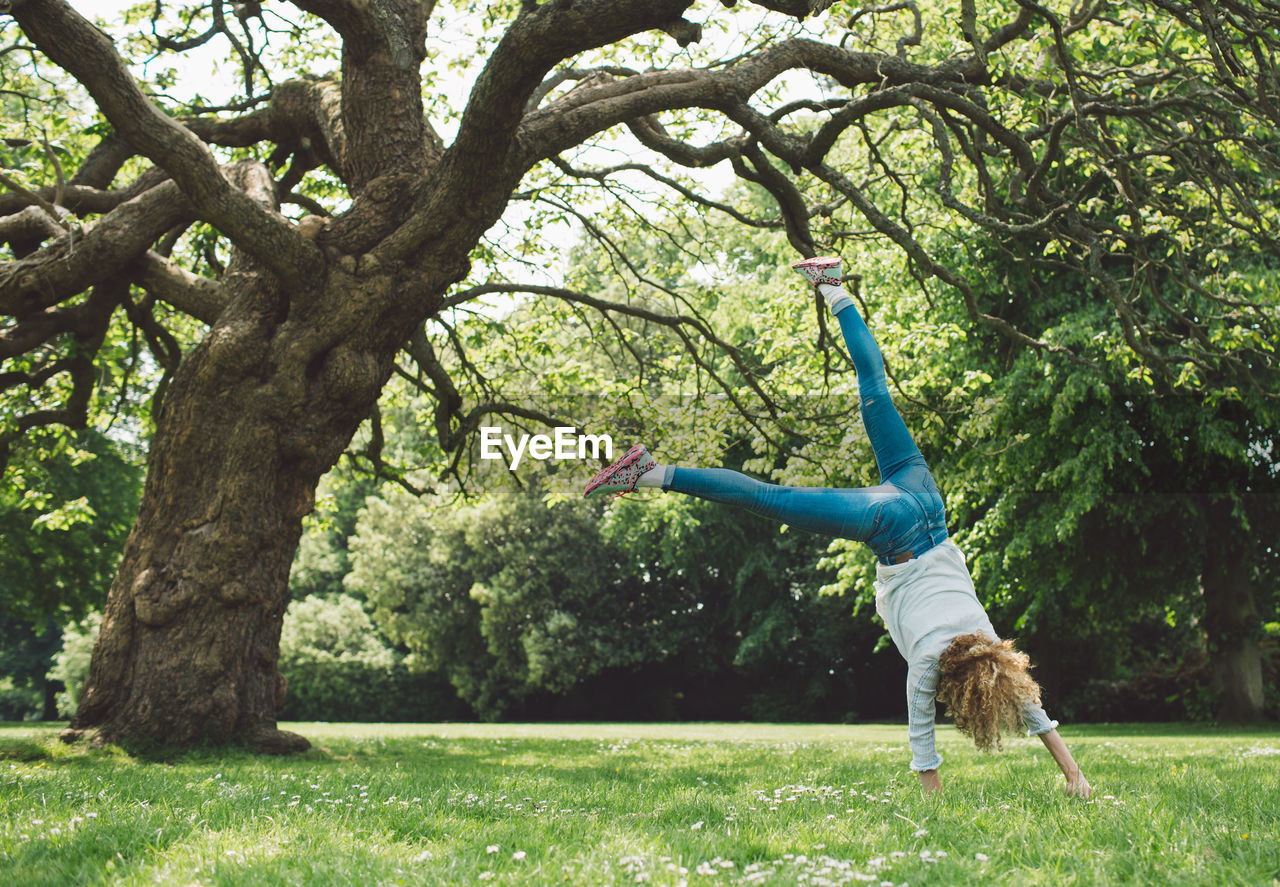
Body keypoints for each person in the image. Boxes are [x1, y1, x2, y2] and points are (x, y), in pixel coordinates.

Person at [584, 257, 1091, 797]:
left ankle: (831, 284)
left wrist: (1076, 774)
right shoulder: (926, 664)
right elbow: (925, 747)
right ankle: (648, 473)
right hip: (892, 532)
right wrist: (939, 809)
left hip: (926, 502)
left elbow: (1033, 708)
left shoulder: (991, 644)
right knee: (771, 499)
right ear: (959, 691)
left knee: (874, 388)